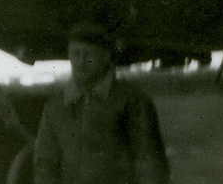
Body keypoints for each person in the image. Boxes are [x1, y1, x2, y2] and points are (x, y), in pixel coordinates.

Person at [33, 23, 169, 184]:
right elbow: (45, 163)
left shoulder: (133, 101)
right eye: (75, 54)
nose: (81, 62)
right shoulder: (56, 105)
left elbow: (150, 165)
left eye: (88, 55)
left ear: (105, 57)